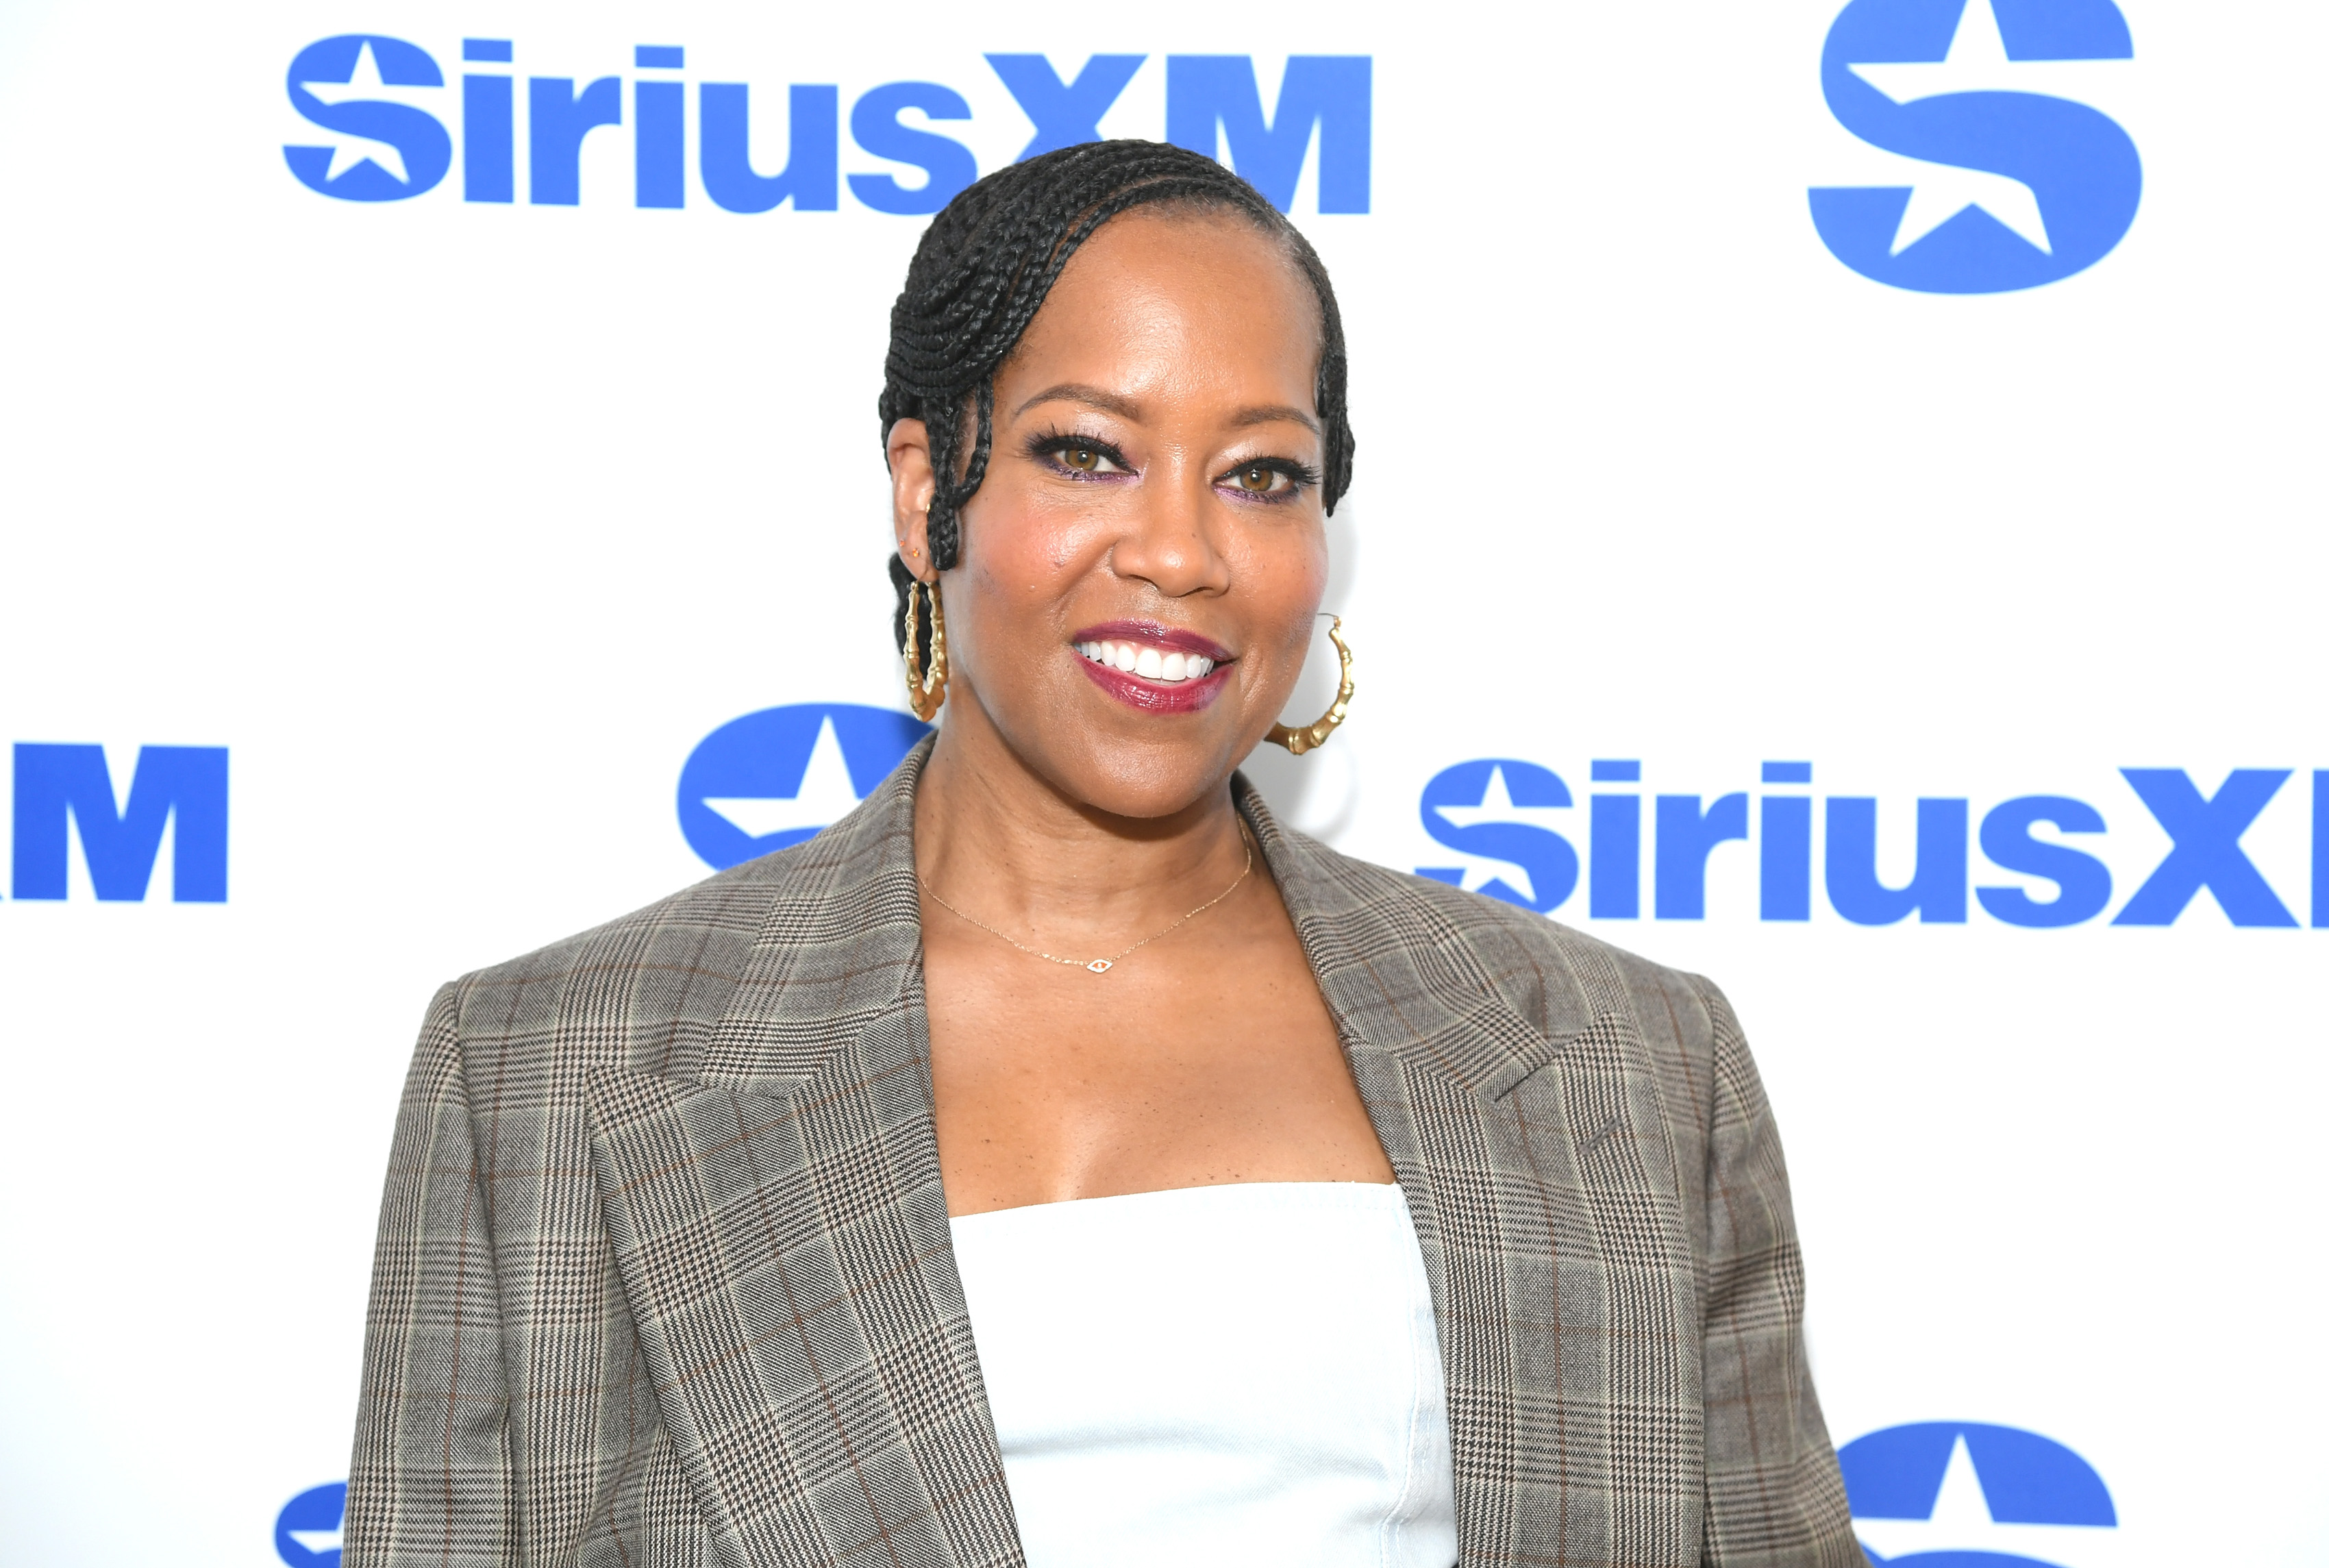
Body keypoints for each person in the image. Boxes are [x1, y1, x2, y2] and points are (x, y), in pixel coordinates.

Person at [347, 140, 1858, 1568]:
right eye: (1087, 454)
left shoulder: (1628, 1062)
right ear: (927, 491)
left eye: (1260, 474)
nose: (1180, 552)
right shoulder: (546, 1070)